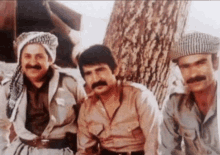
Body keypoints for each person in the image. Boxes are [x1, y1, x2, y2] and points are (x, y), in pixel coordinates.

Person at [0, 31, 86, 155]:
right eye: (27, 56)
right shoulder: (10, 88)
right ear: (20, 59)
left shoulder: (70, 84)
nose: (33, 62)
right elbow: (1, 124)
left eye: (39, 56)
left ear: (50, 59)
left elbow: (87, 124)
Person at [76, 45, 160, 155]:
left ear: (115, 70)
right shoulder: (87, 107)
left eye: (100, 70)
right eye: (88, 73)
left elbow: (154, 145)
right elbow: (85, 151)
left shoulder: (139, 97)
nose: (95, 78)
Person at [160, 32, 220, 154]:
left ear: (215, 63)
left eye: (200, 63)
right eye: (185, 66)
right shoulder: (175, 103)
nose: (193, 74)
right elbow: (167, 150)